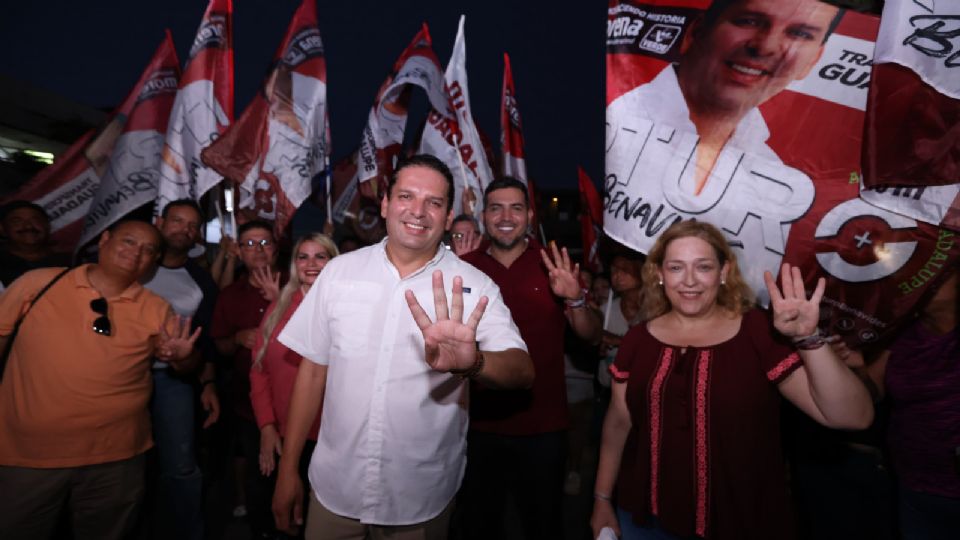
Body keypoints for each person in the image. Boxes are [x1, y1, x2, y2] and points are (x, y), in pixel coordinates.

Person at [272, 154, 533, 539]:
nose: (418, 211)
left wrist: (473, 362)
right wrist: (288, 468)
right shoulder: (339, 273)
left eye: (434, 202)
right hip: (335, 489)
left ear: (447, 217)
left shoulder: (473, 286)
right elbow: (312, 372)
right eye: (407, 196)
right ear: (385, 204)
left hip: (420, 497)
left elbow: (522, 370)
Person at [590, 220, 873, 540]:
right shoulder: (638, 340)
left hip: (742, 521)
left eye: (704, 267)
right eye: (676, 267)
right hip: (646, 521)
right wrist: (601, 499)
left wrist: (809, 338)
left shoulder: (757, 332)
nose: (690, 281)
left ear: (724, 273)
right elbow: (618, 423)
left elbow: (853, 416)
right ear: (659, 274)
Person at [605, 0, 844, 302]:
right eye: (749, 21)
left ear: (813, 60)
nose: (766, 46)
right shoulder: (621, 119)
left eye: (799, 33)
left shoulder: (773, 177)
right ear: (696, 31)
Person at [0, 220, 200, 540]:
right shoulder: (38, 283)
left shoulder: (156, 308)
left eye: (148, 249)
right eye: (129, 241)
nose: (136, 253)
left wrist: (182, 356)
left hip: (118, 459)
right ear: (105, 240)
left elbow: (186, 367)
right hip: (30, 456)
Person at [456, 176, 601, 539]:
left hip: (543, 428)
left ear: (530, 215)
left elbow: (592, 335)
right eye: (496, 208)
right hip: (475, 427)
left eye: (516, 208)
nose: (506, 216)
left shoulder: (553, 264)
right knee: (477, 526)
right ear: (484, 216)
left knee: (543, 526)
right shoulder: (464, 267)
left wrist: (575, 298)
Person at [837, 272, 960, 540]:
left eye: (939, 279)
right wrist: (857, 370)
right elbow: (874, 392)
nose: (926, 284)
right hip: (917, 487)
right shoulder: (901, 335)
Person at [142, 199, 220, 540]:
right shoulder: (134, 266)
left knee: (181, 464)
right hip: (118, 378)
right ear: (160, 222)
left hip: (173, 379)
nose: (184, 230)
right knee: (123, 464)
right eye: (177, 221)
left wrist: (208, 384)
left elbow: (207, 341)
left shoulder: (200, 281)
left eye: (191, 226)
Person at [250, 233, 339, 529]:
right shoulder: (279, 308)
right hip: (281, 436)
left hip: (331, 439)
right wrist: (266, 426)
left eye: (320, 256)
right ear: (294, 264)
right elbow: (259, 370)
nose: (311, 263)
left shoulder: (347, 311)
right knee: (279, 520)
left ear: (334, 262)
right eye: (303, 256)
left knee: (320, 522)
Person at [211, 219, 284, 535]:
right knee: (258, 475)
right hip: (247, 404)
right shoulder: (229, 295)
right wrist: (237, 338)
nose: (258, 250)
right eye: (250, 244)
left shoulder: (299, 287)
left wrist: (280, 302)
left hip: (294, 401)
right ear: (239, 251)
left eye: (265, 243)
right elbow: (220, 347)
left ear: (276, 249)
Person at [0, 201, 71, 287]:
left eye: (36, 220)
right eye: (17, 221)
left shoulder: (69, 261)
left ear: (47, 226)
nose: (28, 226)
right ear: (3, 229)